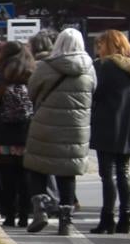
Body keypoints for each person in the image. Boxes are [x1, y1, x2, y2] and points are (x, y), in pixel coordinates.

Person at [21, 27, 96, 233]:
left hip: (45, 123)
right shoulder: (89, 68)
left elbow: (32, 91)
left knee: (37, 166)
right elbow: (92, 92)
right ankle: (66, 219)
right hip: (76, 126)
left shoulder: (46, 66)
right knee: (67, 171)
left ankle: (40, 210)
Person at [89, 30, 130, 234]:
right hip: (129, 124)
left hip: (107, 122)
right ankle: (125, 216)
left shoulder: (103, 66)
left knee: (107, 174)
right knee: (123, 172)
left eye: (100, 45)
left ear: (107, 46)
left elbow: (94, 93)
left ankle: (107, 218)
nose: (98, 50)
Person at [0, 42, 37, 225]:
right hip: (27, 132)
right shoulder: (32, 73)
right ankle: (24, 215)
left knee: (7, 176)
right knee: (25, 175)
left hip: (2, 132)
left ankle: (10, 215)